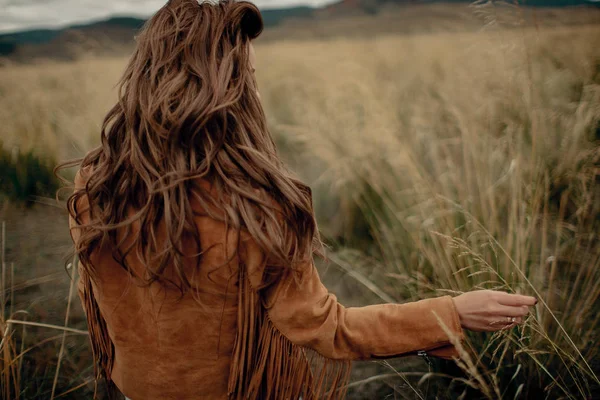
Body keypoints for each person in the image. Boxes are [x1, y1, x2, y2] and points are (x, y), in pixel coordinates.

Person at [59, 1, 537, 399]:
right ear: (225, 85)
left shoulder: (97, 180)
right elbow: (328, 328)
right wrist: (452, 313)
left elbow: (100, 300)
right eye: (244, 68)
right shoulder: (251, 206)